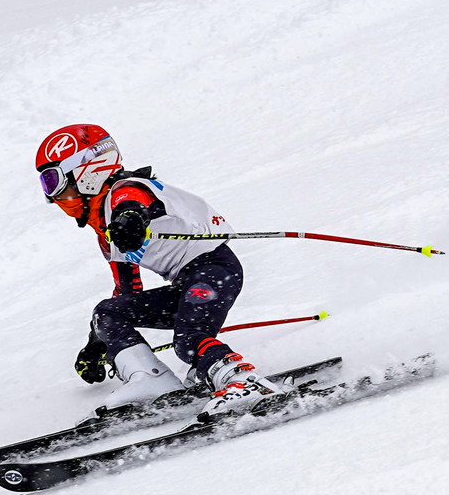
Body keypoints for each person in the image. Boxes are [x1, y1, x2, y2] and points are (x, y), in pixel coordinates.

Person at [35, 123, 282, 415]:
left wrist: (131, 218)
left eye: (53, 181)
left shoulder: (125, 192)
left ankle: (244, 382)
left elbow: (137, 203)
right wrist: (99, 341)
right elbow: (127, 291)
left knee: (189, 336)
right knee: (108, 311)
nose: (52, 196)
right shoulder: (107, 232)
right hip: (185, 284)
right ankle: (151, 381)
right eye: (45, 186)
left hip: (214, 268)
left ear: (87, 170)